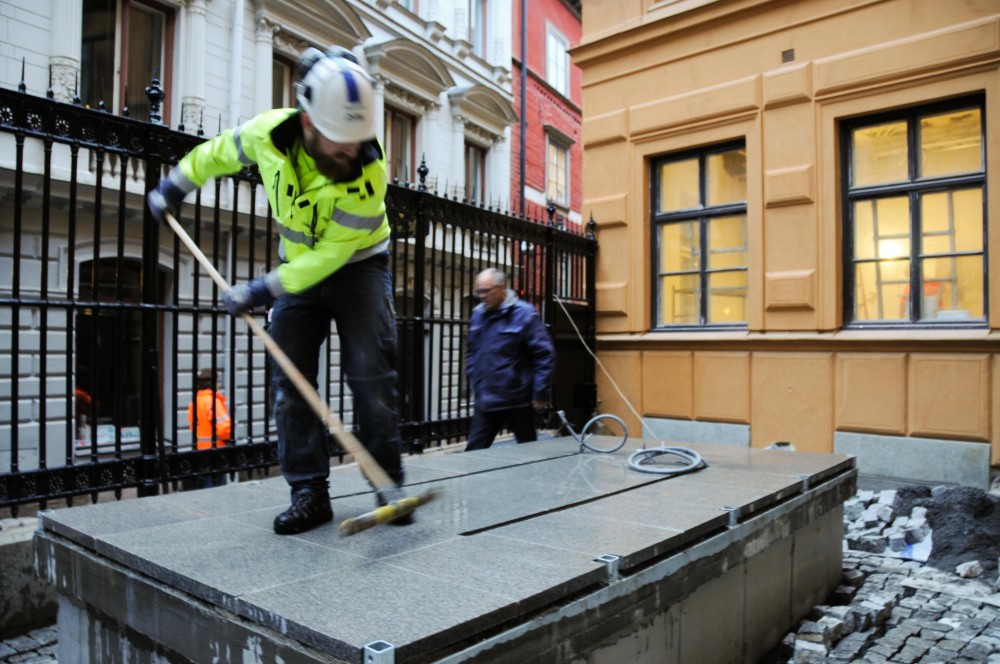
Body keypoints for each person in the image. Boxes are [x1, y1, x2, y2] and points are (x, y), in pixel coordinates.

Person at [148, 46, 409, 534]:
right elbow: (219, 152)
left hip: (360, 267)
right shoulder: (268, 133)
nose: (351, 153)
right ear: (308, 123)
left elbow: (330, 256)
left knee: (371, 375)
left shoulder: (368, 170)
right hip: (295, 271)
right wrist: (176, 185)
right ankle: (309, 492)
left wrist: (262, 288)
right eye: (340, 143)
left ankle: (387, 483)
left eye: (357, 142)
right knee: (292, 383)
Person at [464, 268, 555, 451]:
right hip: (487, 400)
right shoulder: (478, 315)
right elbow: (472, 351)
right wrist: (476, 378)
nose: (482, 296)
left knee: (527, 455)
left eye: (486, 291)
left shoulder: (524, 314)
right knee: (472, 455)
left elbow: (544, 354)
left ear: (501, 288)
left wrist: (540, 392)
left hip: (517, 400)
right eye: (479, 291)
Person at [186, 369, 231, 489]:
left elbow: (192, 425)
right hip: (217, 447)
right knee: (216, 480)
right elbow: (223, 428)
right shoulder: (214, 402)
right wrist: (228, 437)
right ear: (214, 383)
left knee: (206, 477)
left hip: (200, 448)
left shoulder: (194, 402)